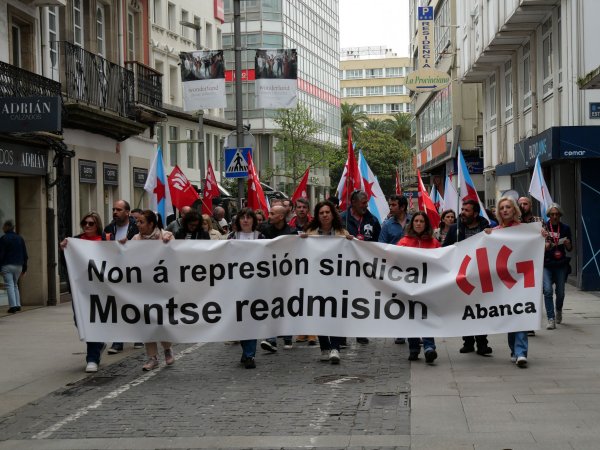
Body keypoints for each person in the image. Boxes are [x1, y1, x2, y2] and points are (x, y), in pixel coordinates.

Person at [485, 196, 543, 368]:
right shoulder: (495, 231)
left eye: (508, 207)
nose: (505, 210)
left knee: (521, 314)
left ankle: (521, 352)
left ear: (514, 210)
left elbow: (537, 247)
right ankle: (514, 350)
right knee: (510, 315)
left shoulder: (525, 230)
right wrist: (486, 236)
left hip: (522, 280)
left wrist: (540, 236)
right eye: (502, 208)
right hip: (503, 281)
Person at [300, 200, 353, 363]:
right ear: (317, 215)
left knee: (335, 313)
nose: (324, 215)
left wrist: (352, 242)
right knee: (319, 313)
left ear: (333, 214)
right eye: (321, 213)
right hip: (315, 282)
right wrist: (301, 240)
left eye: (327, 212)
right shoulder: (309, 233)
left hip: (336, 282)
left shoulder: (342, 233)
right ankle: (325, 346)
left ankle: (335, 348)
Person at [59, 212, 107, 373]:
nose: (87, 226)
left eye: (91, 223)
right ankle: (98, 344)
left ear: (97, 225)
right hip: (81, 290)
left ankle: (92, 358)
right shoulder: (75, 241)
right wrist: (63, 250)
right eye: (84, 223)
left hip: (101, 290)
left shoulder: (106, 241)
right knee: (80, 321)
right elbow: (68, 263)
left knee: (93, 321)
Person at [443, 199, 492, 356]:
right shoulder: (455, 229)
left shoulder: (486, 228)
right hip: (462, 276)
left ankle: (482, 343)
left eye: (467, 210)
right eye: (462, 209)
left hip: (481, 275)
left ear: (475, 213)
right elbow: (445, 249)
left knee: (480, 310)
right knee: (466, 310)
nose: (462, 212)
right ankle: (468, 342)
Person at [132, 210, 175, 371]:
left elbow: (177, 256)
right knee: (146, 322)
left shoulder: (166, 236)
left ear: (151, 224)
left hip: (162, 287)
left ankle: (167, 348)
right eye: (137, 222)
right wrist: (122, 246)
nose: (138, 225)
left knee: (161, 321)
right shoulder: (135, 239)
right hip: (143, 287)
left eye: (141, 222)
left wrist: (169, 244)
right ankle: (152, 357)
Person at [397, 212, 440, 364]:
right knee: (411, 317)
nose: (419, 223)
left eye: (422, 221)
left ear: (426, 224)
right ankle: (414, 348)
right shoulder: (403, 242)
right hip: (409, 286)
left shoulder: (434, 243)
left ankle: (429, 347)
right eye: (416, 221)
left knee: (426, 316)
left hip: (428, 286)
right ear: (412, 223)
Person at [341, 190, 381, 344]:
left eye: (366, 203)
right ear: (353, 202)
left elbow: (378, 243)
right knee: (344, 300)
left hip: (365, 269)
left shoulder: (373, 220)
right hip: (345, 268)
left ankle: (360, 331)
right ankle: (341, 335)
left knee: (362, 300)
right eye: (363, 203)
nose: (366, 206)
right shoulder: (342, 219)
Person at [227, 208, 266, 369]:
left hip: (255, 284)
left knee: (251, 318)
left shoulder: (260, 237)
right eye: (242, 217)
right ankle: (246, 351)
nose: (245, 220)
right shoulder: (231, 237)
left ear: (253, 220)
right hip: (236, 284)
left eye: (248, 217)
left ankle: (250, 355)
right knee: (240, 319)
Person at [104, 200, 141, 353]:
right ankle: (118, 341)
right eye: (114, 209)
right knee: (117, 306)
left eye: (118, 209)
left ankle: (139, 336)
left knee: (135, 305)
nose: (115, 212)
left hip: (135, 272)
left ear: (127, 212)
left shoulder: (137, 227)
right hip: (115, 273)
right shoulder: (108, 229)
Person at [260, 205, 296, 352]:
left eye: (272, 213)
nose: (268, 216)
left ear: (281, 217)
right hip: (269, 273)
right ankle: (271, 339)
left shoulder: (292, 232)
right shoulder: (265, 230)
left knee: (286, 305)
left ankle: (287, 336)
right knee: (272, 305)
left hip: (287, 274)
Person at [543, 203, 573, 330]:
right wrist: (545, 246)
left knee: (560, 292)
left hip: (560, 263)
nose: (554, 217)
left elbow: (570, 248)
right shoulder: (544, 227)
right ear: (548, 215)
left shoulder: (565, 228)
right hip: (546, 263)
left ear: (560, 215)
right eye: (552, 214)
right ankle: (551, 318)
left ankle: (559, 309)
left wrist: (567, 243)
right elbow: (537, 246)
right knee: (547, 290)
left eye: (557, 214)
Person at [518, 196, 544, 336]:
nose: (523, 206)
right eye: (520, 204)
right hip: (518, 265)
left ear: (531, 205)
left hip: (534, 265)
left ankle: (530, 324)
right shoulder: (515, 222)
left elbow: (547, 242)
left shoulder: (539, 221)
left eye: (525, 204)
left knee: (531, 294)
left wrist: (544, 239)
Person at [0, 220, 28, 314]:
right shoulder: (20, 238)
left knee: (9, 285)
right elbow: (25, 254)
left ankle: (13, 307)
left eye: (3, 226)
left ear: (7, 227)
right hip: (19, 265)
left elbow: (1, 254)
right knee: (15, 285)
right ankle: (18, 305)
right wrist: (24, 268)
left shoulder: (4, 238)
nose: (2, 228)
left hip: (7, 265)